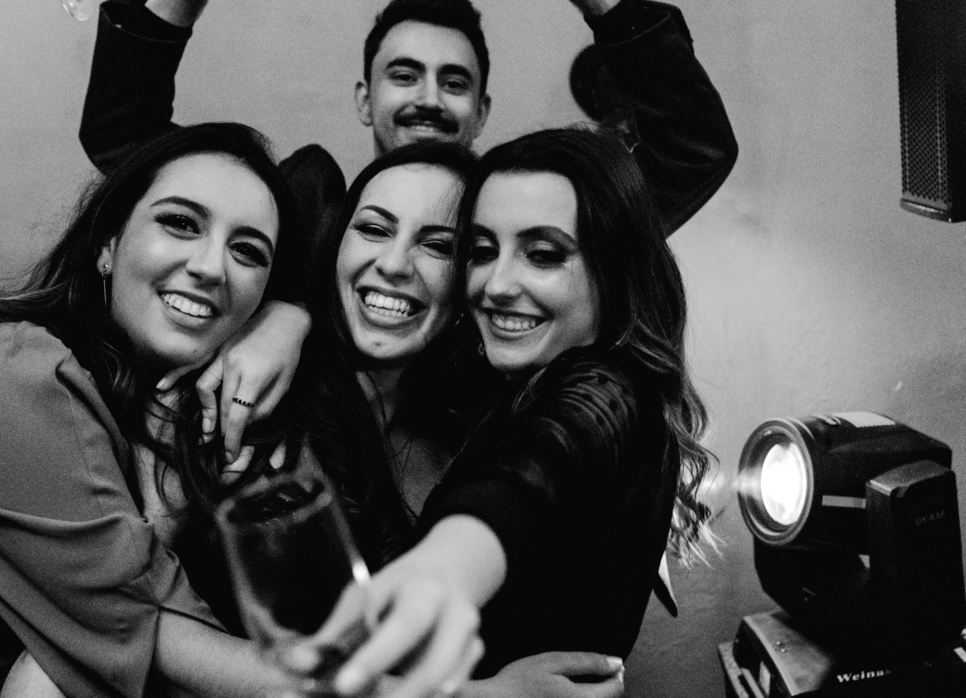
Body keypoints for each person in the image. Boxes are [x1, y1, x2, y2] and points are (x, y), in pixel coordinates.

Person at [0, 121, 473, 698]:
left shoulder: (156, 403)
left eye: (247, 251)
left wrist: (290, 317)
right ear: (107, 244)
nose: (211, 266)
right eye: (180, 223)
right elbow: (160, 647)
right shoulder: (10, 375)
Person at [83, 0, 737, 464]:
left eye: (454, 82)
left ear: (481, 110)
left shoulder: (533, 234)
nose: (428, 98)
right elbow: (124, 134)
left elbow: (692, 150)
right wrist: (290, 309)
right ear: (365, 99)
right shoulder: (306, 207)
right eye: (404, 75)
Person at [306, 123, 716, 698]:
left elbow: (537, 468)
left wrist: (442, 574)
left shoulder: (608, 390)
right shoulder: (476, 394)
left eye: (544, 255)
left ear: (614, 266)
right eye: (481, 251)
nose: (497, 284)